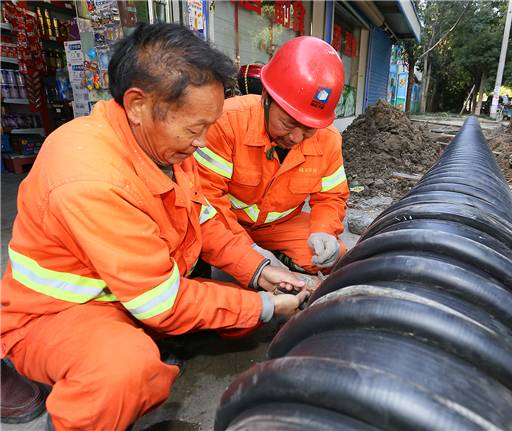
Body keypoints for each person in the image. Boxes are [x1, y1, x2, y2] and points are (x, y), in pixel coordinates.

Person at [0, 23, 307, 430]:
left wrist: (259, 271)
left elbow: (204, 218)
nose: (202, 142)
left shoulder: (165, 149)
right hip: (54, 316)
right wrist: (265, 306)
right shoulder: (90, 177)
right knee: (123, 367)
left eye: (209, 126)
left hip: (129, 296)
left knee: (233, 314)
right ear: (138, 104)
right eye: (195, 128)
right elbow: (161, 303)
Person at [196, 36, 348, 274]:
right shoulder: (226, 123)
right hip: (228, 222)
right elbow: (207, 199)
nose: (296, 137)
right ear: (266, 98)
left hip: (280, 227)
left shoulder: (328, 139)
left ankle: (278, 255)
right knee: (198, 245)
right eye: (288, 123)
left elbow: (331, 197)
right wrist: (252, 258)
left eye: (308, 128)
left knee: (334, 256)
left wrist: (324, 230)